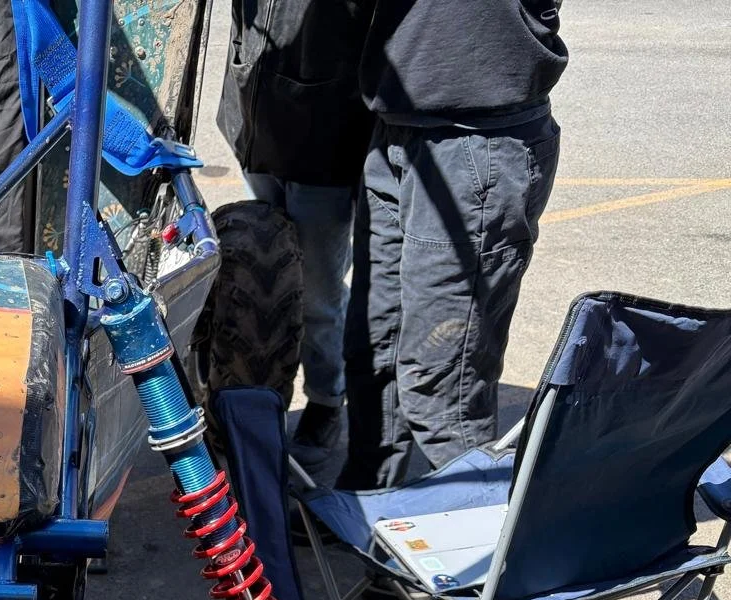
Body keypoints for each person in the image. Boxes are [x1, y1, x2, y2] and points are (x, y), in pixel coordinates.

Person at [337, 0, 566, 490]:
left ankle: (474, 520)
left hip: (476, 137)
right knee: (375, 347)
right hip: (398, 123)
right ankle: (371, 504)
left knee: (442, 383)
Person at [217, 0, 375, 468]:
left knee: (317, 294)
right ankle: (259, 397)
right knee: (258, 272)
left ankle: (326, 400)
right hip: (258, 119)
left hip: (324, 133)